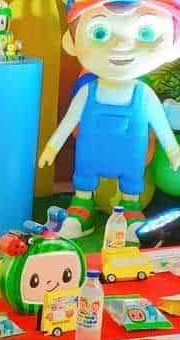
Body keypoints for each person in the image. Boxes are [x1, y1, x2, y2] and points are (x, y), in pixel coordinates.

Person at [39, 0, 180, 241]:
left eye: (146, 33)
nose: (121, 45)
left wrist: (173, 150)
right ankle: (82, 209)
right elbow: (70, 120)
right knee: (85, 177)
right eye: (100, 32)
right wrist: (52, 147)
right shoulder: (88, 91)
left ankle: (131, 211)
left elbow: (161, 125)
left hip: (131, 156)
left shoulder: (144, 95)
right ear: (71, 42)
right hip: (91, 154)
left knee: (132, 181)